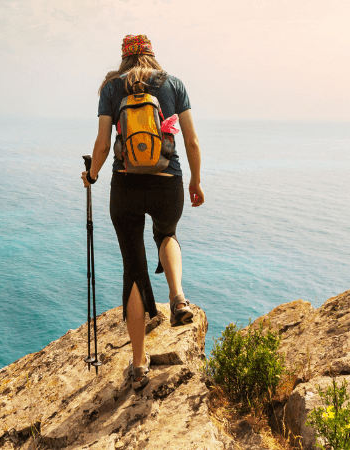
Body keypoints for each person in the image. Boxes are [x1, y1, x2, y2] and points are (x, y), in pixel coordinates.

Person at [81, 34, 205, 389]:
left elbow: (103, 143)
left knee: (133, 268)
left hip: (125, 186)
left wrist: (92, 175)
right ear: (151, 55)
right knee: (167, 234)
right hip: (169, 181)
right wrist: (196, 181)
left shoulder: (110, 88)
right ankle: (178, 297)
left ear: (124, 58)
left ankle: (138, 366)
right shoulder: (174, 84)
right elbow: (192, 140)